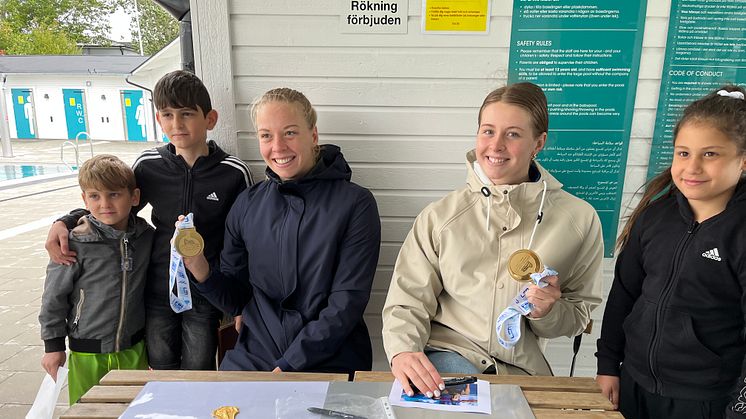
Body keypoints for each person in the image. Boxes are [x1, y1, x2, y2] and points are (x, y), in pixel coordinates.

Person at [382, 82, 603, 397]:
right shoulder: (441, 216)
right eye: (488, 131)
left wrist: (547, 312)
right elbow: (407, 300)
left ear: (538, 142)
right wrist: (403, 350)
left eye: (512, 134)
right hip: (448, 356)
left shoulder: (579, 219)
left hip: (523, 368)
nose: (495, 145)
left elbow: (579, 313)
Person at [45, 70, 253, 370]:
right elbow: (113, 204)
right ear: (158, 120)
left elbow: (246, 240)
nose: (176, 124)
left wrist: (240, 300)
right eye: (167, 114)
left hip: (206, 291)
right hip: (156, 289)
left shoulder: (233, 172)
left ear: (210, 119)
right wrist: (65, 221)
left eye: (186, 114)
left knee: (199, 367)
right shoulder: (149, 165)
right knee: (160, 364)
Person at [180, 87, 381, 375]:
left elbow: (346, 303)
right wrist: (199, 268)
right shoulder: (247, 204)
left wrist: (288, 366)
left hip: (331, 359)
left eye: (289, 133)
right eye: (266, 135)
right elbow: (237, 297)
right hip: (255, 357)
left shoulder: (356, 204)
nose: (278, 147)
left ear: (313, 136)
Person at [595, 85, 746, 419]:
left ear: (743, 159)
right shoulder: (655, 216)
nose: (692, 167)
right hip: (634, 385)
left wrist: (740, 406)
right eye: (683, 153)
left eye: (710, 154)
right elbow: (623, 294)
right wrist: (608, 365)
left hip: (705, 399)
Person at [39, 155, 153, 404]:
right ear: (84, 199)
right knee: (87, 410)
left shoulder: (146, 237)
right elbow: (53, 297)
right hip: (86, 351)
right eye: (94, 196)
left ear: (134, 197)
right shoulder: (73, 242)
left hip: (133, 349)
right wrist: (53, 345)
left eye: (114, 194)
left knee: (133, 408)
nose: (105, 204)